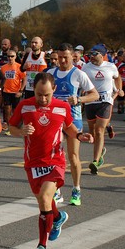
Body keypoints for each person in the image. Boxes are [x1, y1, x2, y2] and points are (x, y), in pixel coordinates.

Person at [9, 72, 93, 249]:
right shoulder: (25, 105)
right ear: (34, 91)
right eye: (39, 94)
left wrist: (80, 136)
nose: (43, 98)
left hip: (55, 162)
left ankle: (41, 247)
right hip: (33, 163)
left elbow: (69, 128)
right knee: (43, 201)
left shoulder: (62, 107)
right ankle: (58, 217)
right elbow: (11, 126)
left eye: (46, 94)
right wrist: (21, 131)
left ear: (54, 90)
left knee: (46, 197)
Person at [46, 43, 99, 205]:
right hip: (54, 121)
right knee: (52, 155)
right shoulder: (50, 73)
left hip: (73, 121)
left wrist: (79, 99)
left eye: (65, 57)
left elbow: (94, 95)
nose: (62, 61)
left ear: (72, 57)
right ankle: (57, 190)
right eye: (59, 57)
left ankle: (76, 190)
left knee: (73, 156)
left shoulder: (78, 74)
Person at [81, 44, 122, 174]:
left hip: (105, 101)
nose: (91, 57)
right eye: (90, 54)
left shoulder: (111, 66)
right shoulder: (86, 67)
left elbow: (117, 77)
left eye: (94, 54)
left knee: (99, 131)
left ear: (102, 55)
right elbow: (81, 81)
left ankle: (95, 161)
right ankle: (101, 151)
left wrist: (119, 89)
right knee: (93, 133)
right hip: (90, 102)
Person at [0, 50, 26, 135]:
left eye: (12, 56)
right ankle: (9, 127)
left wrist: (21, 90)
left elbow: (24, 79)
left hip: (16, 92)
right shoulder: (3, 67)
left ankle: (17, 126)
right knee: (7, 110)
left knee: (15, 111)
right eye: (8, 56)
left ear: (15, 57)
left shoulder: (19, 67)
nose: (10, 58)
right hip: (6, 91)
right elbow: (0, 79)